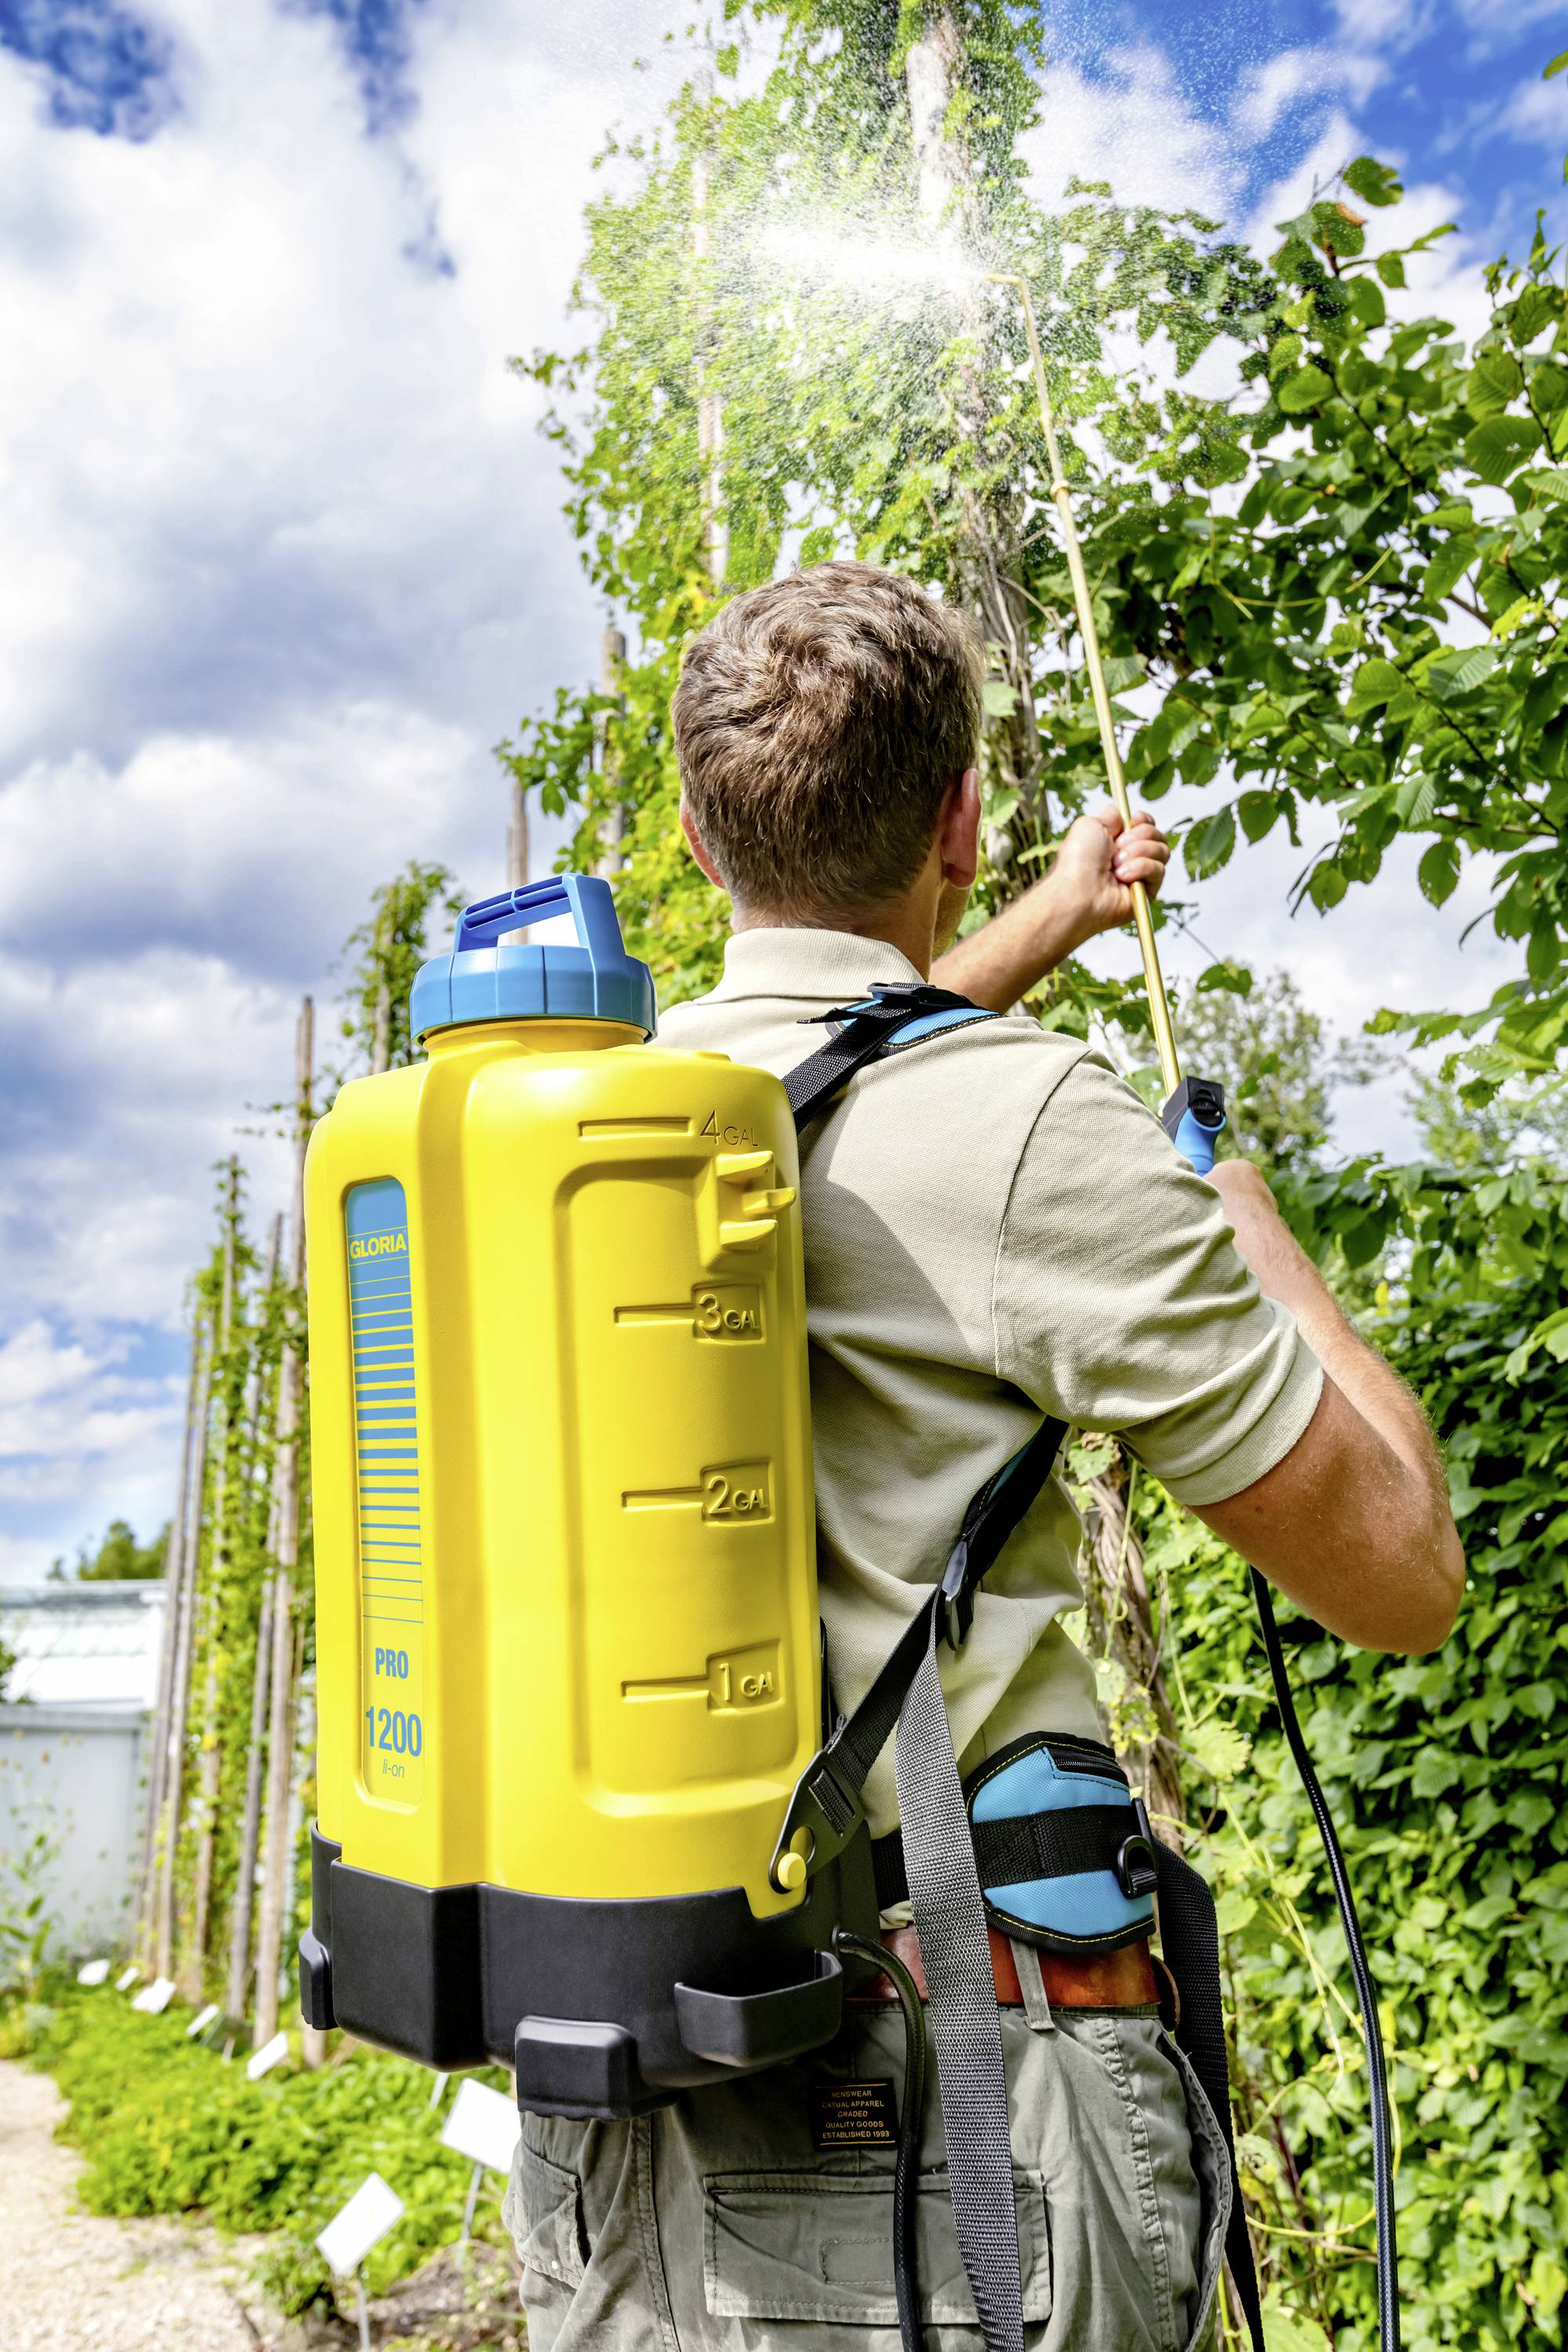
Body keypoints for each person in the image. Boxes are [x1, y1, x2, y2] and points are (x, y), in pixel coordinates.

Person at [503, 560, 1464, 2352]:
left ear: (702, 849)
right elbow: (1400, 1576)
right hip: (950, 2103)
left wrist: (1037, 920)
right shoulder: (1032, 1128)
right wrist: (1257, 1239)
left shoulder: (587, 1125)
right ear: (956, 814)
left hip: (606, 2089)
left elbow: (841, 1078)